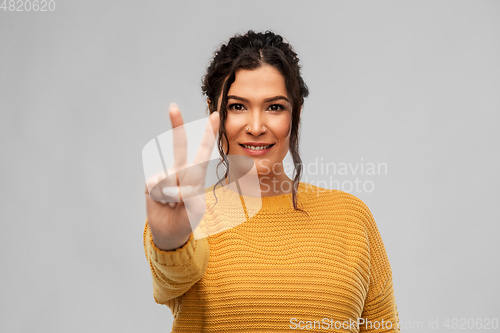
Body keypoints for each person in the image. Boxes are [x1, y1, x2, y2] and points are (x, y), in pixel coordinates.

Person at [143, 30, 400, 332]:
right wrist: (172, 240)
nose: (255, 127)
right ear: (214, 113)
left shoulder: (351, 219)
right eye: (237, 106)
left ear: (296, 114)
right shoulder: (187, 215)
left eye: (274, 107)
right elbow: (172, 278)